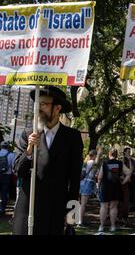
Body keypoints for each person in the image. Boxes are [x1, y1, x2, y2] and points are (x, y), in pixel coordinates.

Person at [12, 86, 83, 235]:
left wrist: (71, 216)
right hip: (28, 208)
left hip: (55, 210)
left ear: (57, 108)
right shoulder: (27, 134)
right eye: (37, 104)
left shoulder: (72, 137)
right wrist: (30, 150)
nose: (38, 108)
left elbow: (75, 180)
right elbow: (18, 170)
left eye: (43, 104)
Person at [97, 148, 129, 232]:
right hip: (116, 187)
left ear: (109, 154)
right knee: (113, 207)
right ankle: (113, 226)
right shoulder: (120, 163)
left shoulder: (104, 163)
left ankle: (101, 226)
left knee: (104, 206)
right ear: (116, 155)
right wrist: (123, 182)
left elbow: (100, 177)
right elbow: (129, 173)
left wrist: (98, 187)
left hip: (105, 187)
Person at [78, 148, 102, 227]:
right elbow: (96, 163)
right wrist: (99, 154)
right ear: (94, 155)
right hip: (88, 183)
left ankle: (80, 221)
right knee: (83, 204)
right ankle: (80, 222)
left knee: (82, 203)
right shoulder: (91, 162)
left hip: (83, 183)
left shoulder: (85, 162)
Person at [0, 141, 15, 215]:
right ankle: (2, 209)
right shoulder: (11, 155)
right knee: (4, 193)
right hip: (6, 176)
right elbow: (13, 168)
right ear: (8, 147)